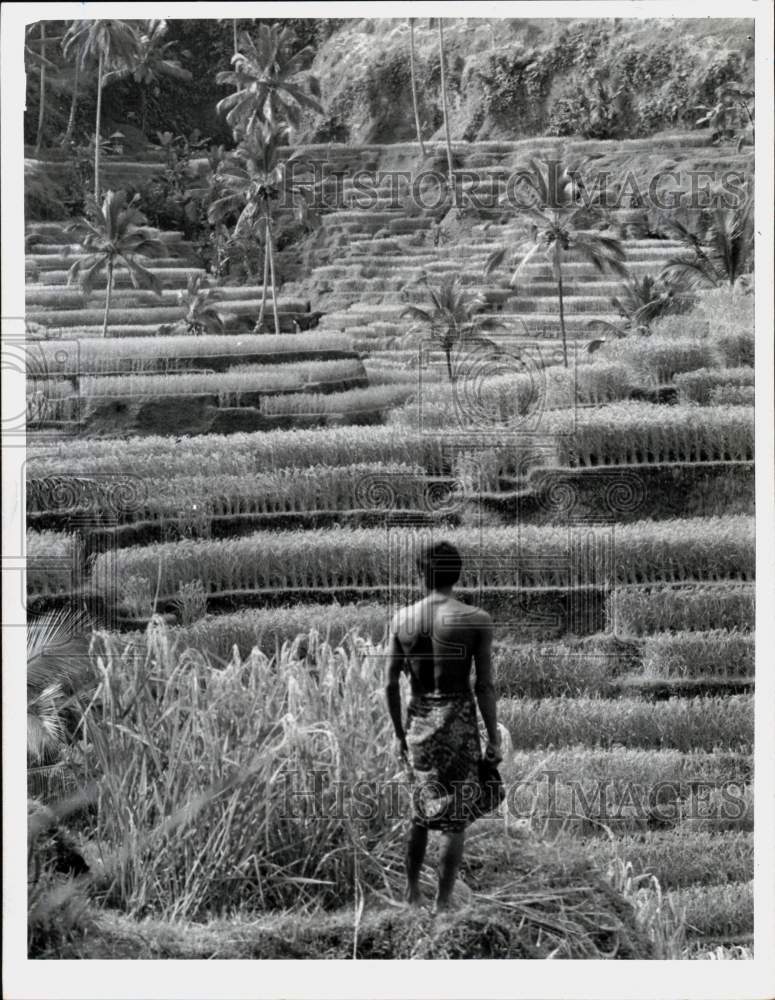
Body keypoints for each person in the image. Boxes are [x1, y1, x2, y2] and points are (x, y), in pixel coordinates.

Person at [385, 540, 501, 911]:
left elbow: (389, 684)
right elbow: (483, 685)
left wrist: (399, 735)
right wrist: (493, 736)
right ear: (458, 573)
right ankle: (445, 901)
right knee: (456, 816)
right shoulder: (476, 620)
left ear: (421, 574)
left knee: (421, 810)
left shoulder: (402, 620)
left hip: (419, 719)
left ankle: (412, 892)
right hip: (458, 720)